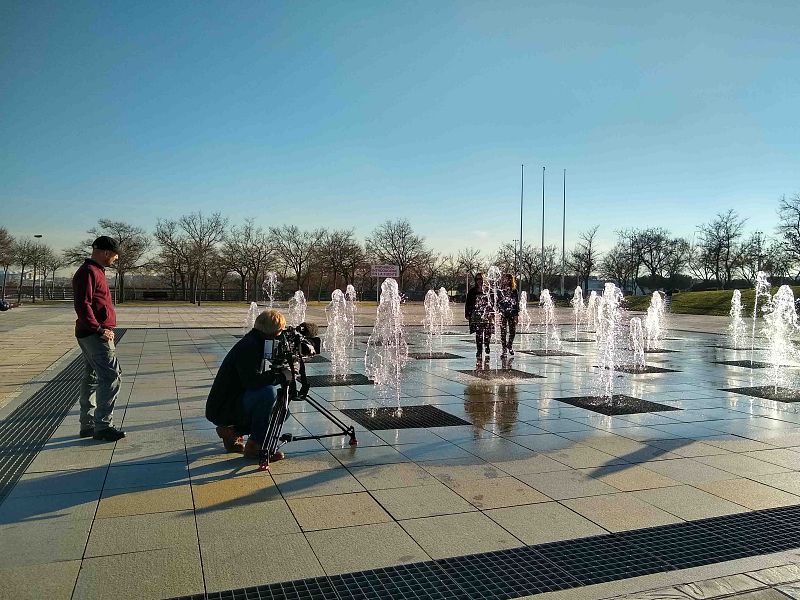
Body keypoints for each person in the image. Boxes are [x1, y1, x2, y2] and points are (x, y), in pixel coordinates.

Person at [205, 309, 292, 460]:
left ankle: (232, 433)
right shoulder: (250, 346)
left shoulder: (256, 341)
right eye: (280, 331)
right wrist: (278, 376)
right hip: (222, 409)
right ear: (273, 332)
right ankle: (255, 446)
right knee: (267, 393)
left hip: (229, 404)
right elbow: (252, 382)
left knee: (281, 411)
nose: (281, 335)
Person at [72, 236, 126, 441]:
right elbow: (82, 305)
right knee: (111, 376)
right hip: (95, 333)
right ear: (105, 252)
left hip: (90, 332)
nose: (115, 258)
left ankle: (87, 425)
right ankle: (103, 426)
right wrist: (99, 329)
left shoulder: (94, 271)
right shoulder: (88, 272)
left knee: (92, 377)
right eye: (114, 255)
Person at [464, 272, 495, 359]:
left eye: (480, 279)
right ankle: (479, 350)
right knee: (479, 333)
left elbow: (493, 302)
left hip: (487, 314)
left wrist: (493, 313)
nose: (479, 281)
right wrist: (467, 314)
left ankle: (487, 345)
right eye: (477, 279)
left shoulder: (489, 290)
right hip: (476, 314)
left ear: (483, 279)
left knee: (488, 332)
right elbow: (468, 303)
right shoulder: (472, 291)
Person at [497, 273, 520, 357]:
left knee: (512, 331)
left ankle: (509, 345)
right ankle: (504, 350)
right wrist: (497, 310)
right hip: (503, 313)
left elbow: (516, 303)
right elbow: (497, 302)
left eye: (509, 279)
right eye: (506, 279)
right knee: (503, 332)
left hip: (512, 313)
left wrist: (516, 315)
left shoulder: (514, 290)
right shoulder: (500, 291)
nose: (507, 280)